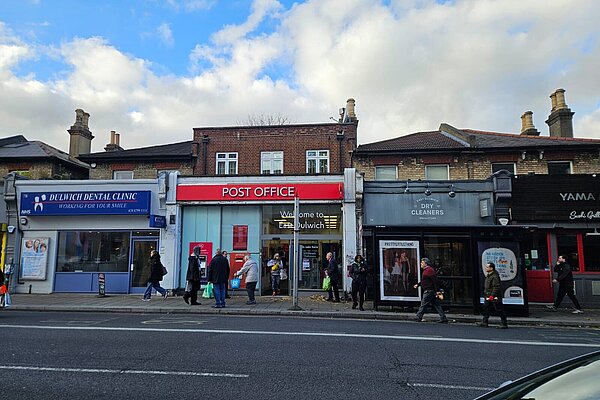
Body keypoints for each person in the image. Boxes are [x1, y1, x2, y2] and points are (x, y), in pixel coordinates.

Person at [414, 257, 448, 323]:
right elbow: (425, 281)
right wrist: (418, 285)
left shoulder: (429, 270)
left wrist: (437, 291)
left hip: (429, 290)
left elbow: (435, 281)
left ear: (426, 264)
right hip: (430, 290)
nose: (421, 264)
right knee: (436, 304)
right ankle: (443, 318)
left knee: (423, 304)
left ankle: (418, 316)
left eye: (422, 263)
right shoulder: (427, 270)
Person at [476, 262, 508, 329]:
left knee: (498, 309)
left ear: (491, 268)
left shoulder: (495, 276)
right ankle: (484, 322)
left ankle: (504, 323)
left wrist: (492, 295)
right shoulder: (489, 275)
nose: (486, 268)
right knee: (486, 308)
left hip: (493, 296)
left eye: (487, 267)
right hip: (487, 295)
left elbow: (496, 287)